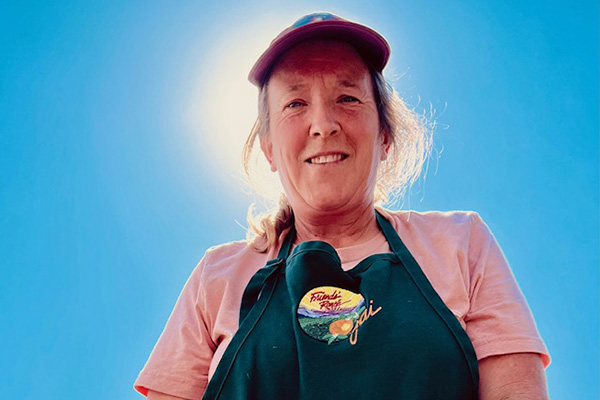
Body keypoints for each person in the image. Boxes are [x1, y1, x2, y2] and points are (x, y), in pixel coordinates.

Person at [134, 12, 550, 400]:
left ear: (384, 135)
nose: (323, 124)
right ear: (269, 150)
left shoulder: (462, 243)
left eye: (348, 98)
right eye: (295, 103)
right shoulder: (217, 277)